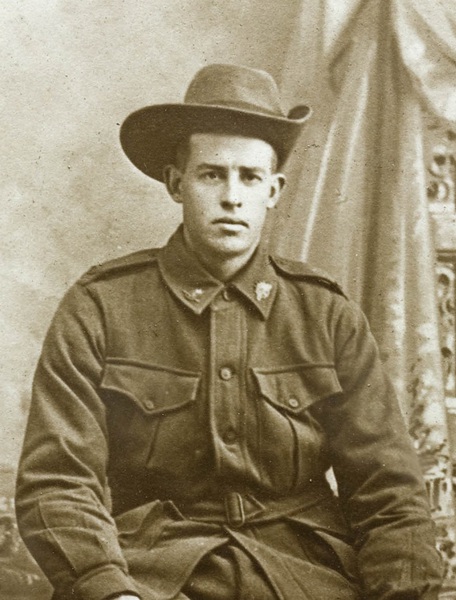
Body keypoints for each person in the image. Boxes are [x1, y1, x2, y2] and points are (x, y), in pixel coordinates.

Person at [15, 64, 443, 600]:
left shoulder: (326, 315)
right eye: (212, 175)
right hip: (149, 574)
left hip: (305, 576)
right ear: (177, 183)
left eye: (250, 177)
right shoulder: (101, 306)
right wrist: (108, 588)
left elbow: (389, 492)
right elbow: (57, 483)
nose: (232, 197)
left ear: (274, 190)